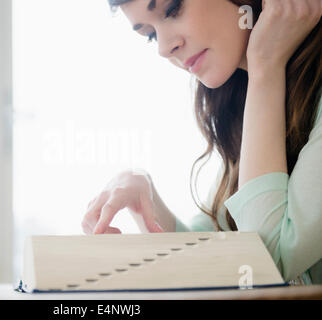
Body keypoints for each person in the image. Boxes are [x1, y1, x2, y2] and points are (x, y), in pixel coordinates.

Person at [81, 0, 322, 285]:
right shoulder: (249, 99)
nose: (163, 48)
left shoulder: (267, 82)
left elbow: (264, 265)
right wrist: (143, 196)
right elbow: (213, 256)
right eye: (150, 34)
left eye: (172, 9)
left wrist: (266, 67)